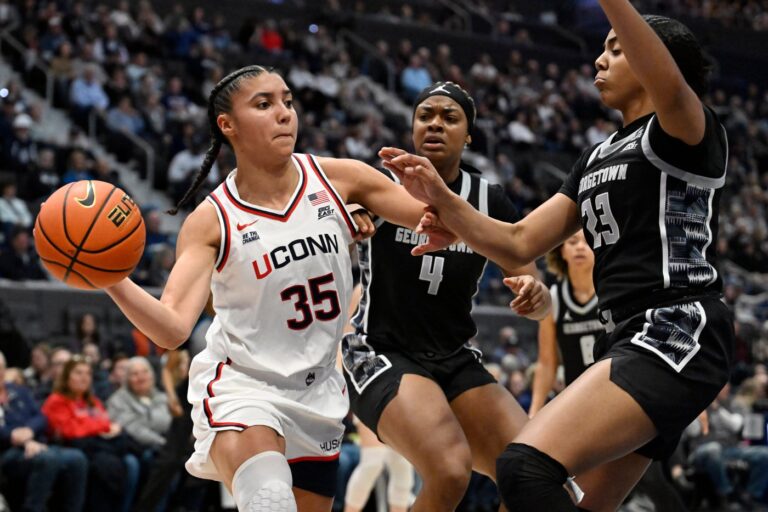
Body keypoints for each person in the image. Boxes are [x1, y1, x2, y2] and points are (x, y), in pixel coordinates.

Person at [382, 3, 733, 510]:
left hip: (679, 326)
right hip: (630, 336)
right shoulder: (593, 157)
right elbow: (520, 240)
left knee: (524, 465)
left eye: (616, 49)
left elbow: (671, 82)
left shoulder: (683, 127)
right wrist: (445, 205)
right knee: (572, 499)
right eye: (602, 47)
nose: (599, 59)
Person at [101, 65, 471, 512]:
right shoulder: (212, 220)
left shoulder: (340, 179)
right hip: (244, 387)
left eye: (288, 102)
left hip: (318, 393)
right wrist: (113, 279)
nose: (284, 114)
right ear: (227, 125)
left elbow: (443, 225)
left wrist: (436, 198)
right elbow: (172, 329)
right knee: (269, 499)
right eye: (264, 104)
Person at [342, 81, 550, 511]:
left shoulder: (489, 200)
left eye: (449, 117)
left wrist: (535, 294)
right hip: (380, 349)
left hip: (452, 354)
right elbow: (327, 207)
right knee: (449, 469)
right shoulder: (379, 185)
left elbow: (540, 300)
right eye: (425, 115)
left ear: (469, 134)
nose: (435, 123)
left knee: (531, 474)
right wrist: (352, 214)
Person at [0, 351, 88, 512]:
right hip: (7, 450)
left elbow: (41, 417)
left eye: (1, 368)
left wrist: (29, 430)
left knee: (77, 458)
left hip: (36, 443)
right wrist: (13, 435)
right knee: (47, 459)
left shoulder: (18, 390)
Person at [529, 231, 600, 416]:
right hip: (575, 396)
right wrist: (534, 411)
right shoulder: (553, 298)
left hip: (614, 391)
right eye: (572, 242)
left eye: (587, 242)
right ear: (561, 251)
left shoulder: (610, 291)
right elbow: (546, 362)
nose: (579, 247)